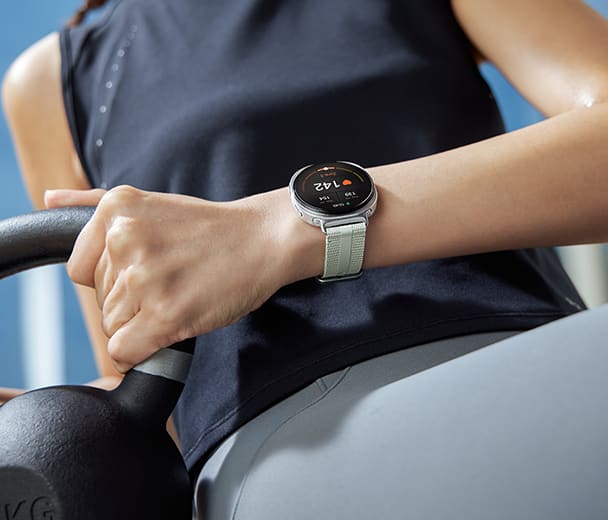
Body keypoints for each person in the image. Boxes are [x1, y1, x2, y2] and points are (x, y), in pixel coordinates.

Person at [2, 0, 608, 516]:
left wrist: (278, 230)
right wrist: (47, 431)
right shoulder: (51, 82)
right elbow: (139, 372)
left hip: (521, 380)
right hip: (263, 471)